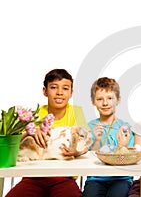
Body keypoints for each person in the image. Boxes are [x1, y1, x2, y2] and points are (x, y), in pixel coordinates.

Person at [6, 68, 88, 197]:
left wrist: (77, 151)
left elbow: (86, 144)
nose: (60, 93)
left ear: (71, 93)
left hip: (64, 178)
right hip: (33, 177)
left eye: (65, 88)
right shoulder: (35, 115)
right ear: (45, 91)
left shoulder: (76, 112)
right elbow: (13, 144)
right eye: (54, 87)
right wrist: (30, 132)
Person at [82, 77, 134, 197]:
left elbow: (130, 159)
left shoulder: (126, 128)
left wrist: (123, 146)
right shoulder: (89, 127)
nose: (105, 103)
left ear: (118, 100)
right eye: (100, 99)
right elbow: (87, 159)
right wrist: (97, 141)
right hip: (95, 179)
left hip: (121, 178)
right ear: (93, 101)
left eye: (110, 98)